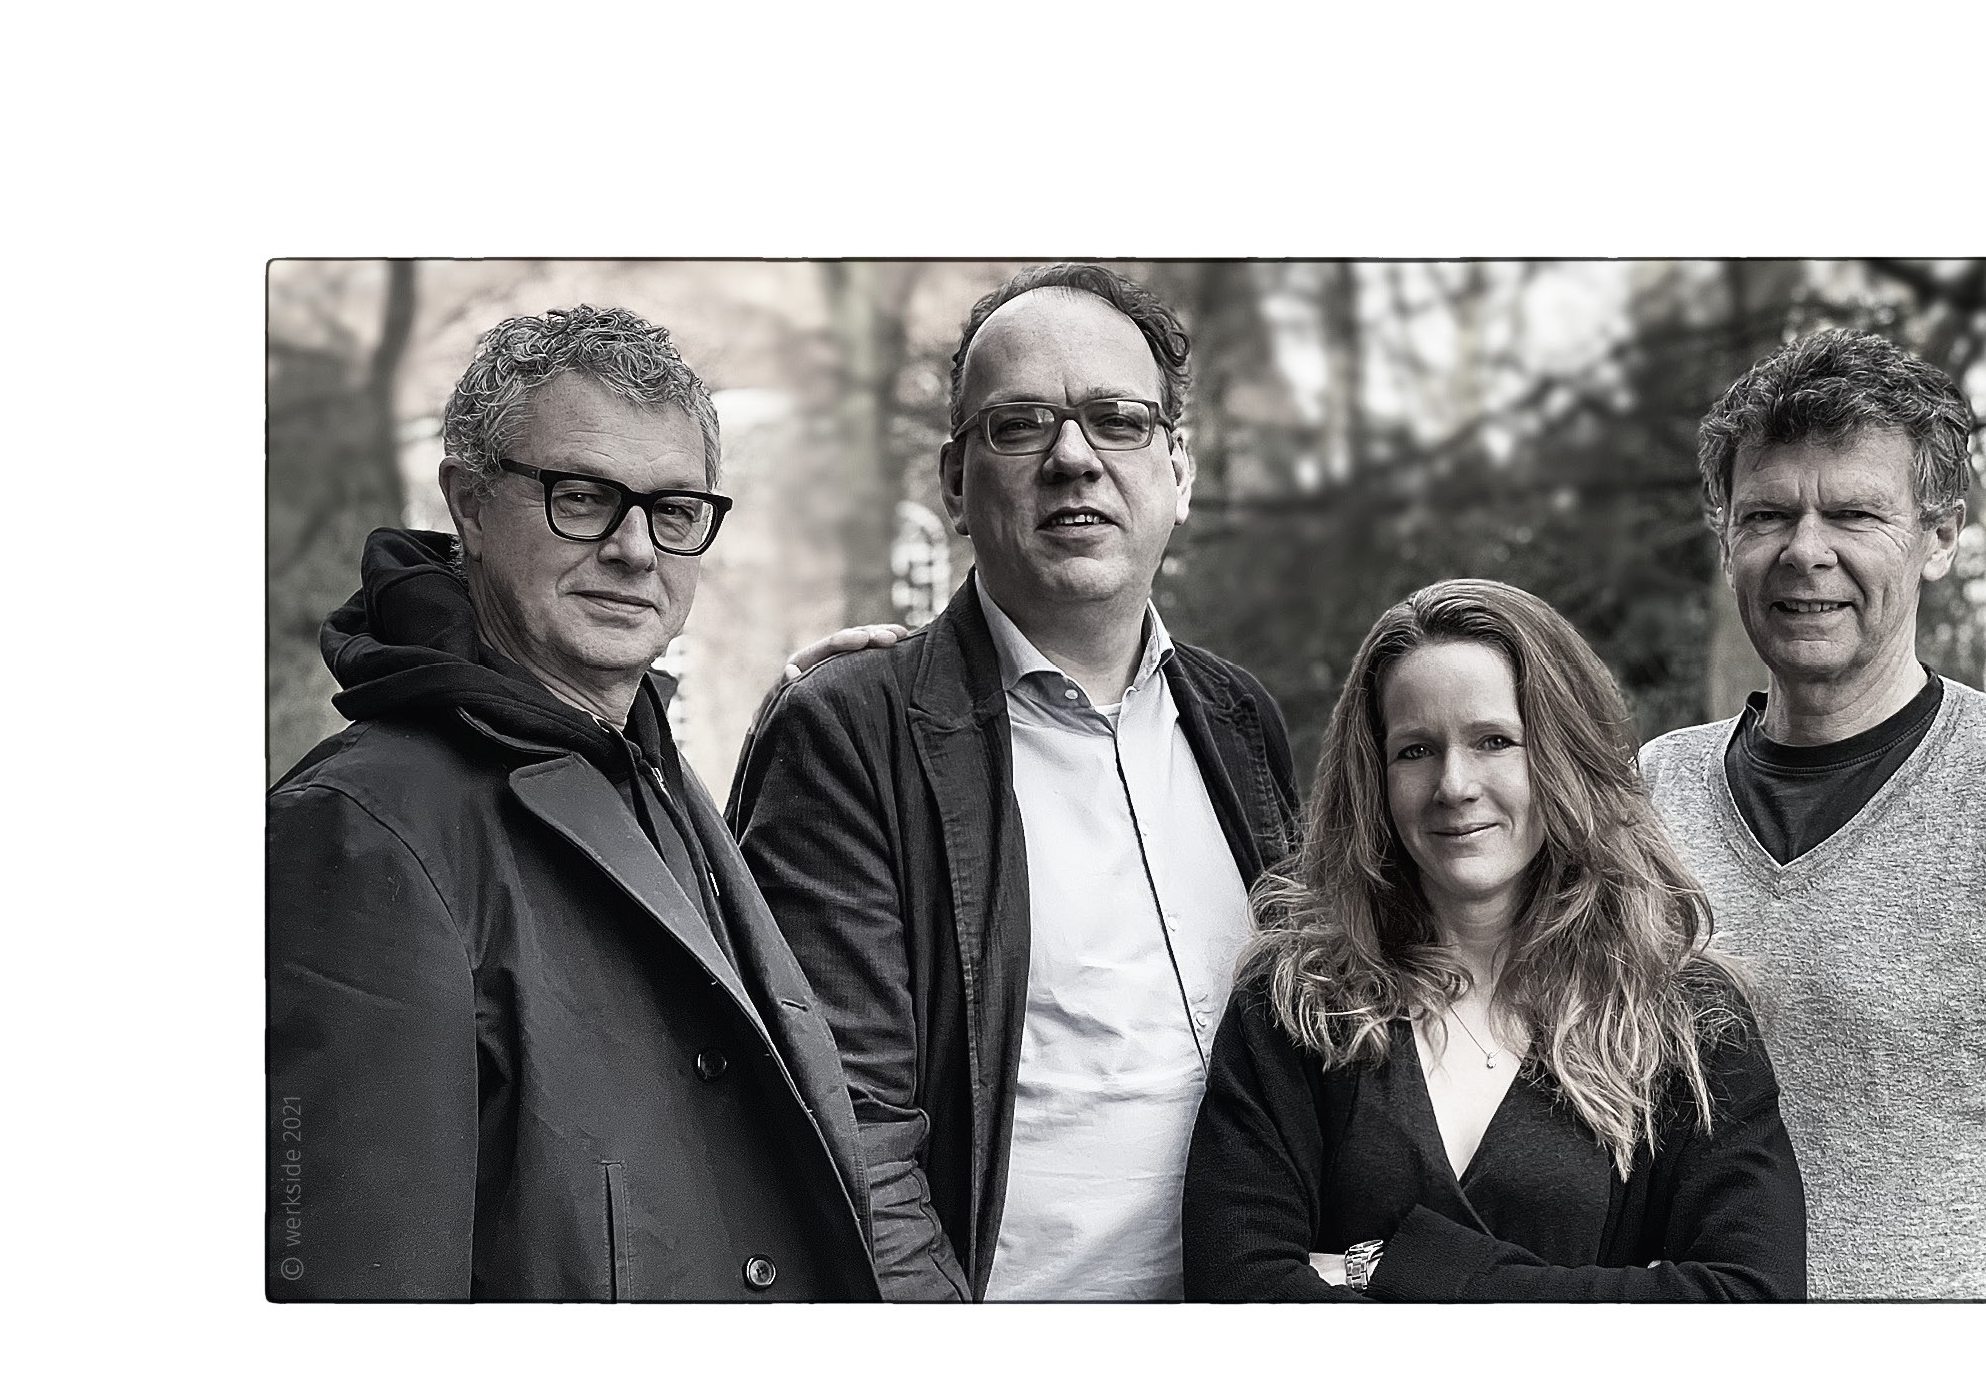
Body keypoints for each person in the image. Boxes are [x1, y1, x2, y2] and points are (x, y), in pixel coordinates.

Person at [267, 304, 881, 1301]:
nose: (636, 549)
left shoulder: (641, 767)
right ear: (469, 503)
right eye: (584, 497)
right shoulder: (358, 831)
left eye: (674, 509)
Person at [726, 265, 1299, 1301]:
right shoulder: (853, 735)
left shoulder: (1237, 720)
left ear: (1178, 468)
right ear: (954, 482)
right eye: (1020, 424)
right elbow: (854, 1136)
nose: (1073, 457)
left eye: (1117, 420)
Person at [1638, 328, 1986, 1300]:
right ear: (1725, 534)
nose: (1804, 550)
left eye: (1854, 513)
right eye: (1766, 513)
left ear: (1939, 537)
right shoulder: (1654, 790)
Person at [1182, 580, 1808, 1301]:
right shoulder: (1298, 1001)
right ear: (1374, 778)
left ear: (1564, 756)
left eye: (1494, 742)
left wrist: (1392, 1269)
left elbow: (1749, 1299)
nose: (1453, 784)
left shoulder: (1686, 1018)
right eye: (1415, 750)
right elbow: (1238, 1288)